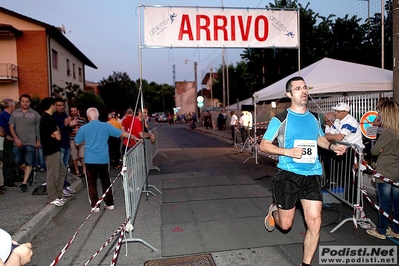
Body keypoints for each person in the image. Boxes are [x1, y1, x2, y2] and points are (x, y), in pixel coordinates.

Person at [260, 76, 346, 266]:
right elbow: (264, 145)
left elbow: (320, 139)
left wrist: (332, 147)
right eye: (298, 88)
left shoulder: (315, 117)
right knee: (285, 225)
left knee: (315, 222)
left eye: (305, 87)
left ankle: (305, 264)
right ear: (289, 94)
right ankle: (274, 211)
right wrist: (287, 151)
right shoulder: (280, 119)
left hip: (312, 174)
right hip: (288, 176)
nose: (304, 91)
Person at [75, 107, 131, 212]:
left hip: (90, 159)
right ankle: (109, 203)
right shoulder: (106, 126)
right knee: (106, 181)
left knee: (91, 183)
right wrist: (133, 136)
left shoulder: (83, 128)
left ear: (88, 117)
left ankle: (95, 205)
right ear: (97, 115)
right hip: (103, 159)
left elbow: (77, 143)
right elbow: (121, 133)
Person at [366, 100, 399, 240]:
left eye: (380, 112)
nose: (378, 114)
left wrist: (381, 149)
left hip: (384, 171)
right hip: (396, 171)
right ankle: (396, 229)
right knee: (396, 202)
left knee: (384, 202)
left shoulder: (387, 133)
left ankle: (381, 230)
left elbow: (373, 150)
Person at [9, 94, 41, 193]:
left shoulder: (35, 114)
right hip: (18, 141)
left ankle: (24, 183)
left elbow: (38, 129)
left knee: (28, 161)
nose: (25, 103)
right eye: (23, 101)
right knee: (16, 161)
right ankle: (30, 173)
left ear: (30, 102)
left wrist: (38, 140)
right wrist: (16, 139)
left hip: (30, 141)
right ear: (20, 102)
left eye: (27, 101)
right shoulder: (15, 113)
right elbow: (11, 127)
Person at [40, 98, 66, 207]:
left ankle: (58, 194)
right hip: (51, 150)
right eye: (55, 105)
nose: (57, 107)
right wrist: (55, 134)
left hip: (55, 149)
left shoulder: (50, 118)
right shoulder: (47, 119)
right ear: (51, 105)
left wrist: (55, 133)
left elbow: (56, 133)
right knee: (53, 174)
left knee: (61, 171)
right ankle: (52, 197)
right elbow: (58, 136)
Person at [53, 98, 74, 196]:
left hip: (66, 143)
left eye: (62, 105)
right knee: (60, 167)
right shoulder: (53, 116)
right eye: (58, 105)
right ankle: (59, 187)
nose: (61, 107)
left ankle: (65, 185)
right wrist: (65, 124)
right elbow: (56, 130)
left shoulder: (65, 115)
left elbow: (67, 129)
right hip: (59, 145)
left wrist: (71, 125)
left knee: (65, 166)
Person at [0, 99, 17, 188]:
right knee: (7, 160)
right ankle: (8, 180)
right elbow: (1, 128)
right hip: (7, 140)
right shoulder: (3, 115)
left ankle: (13, 177)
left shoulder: (10, 115)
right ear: (10, 105)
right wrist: (7, 136)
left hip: (12, 139)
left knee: (12, 159)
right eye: (13, 105)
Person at [69, 106, 86, 177]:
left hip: (82, 140)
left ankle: (84, 170)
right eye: (72, 111)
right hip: (72, 139)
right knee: (74, 156)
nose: (73, 112)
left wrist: (80, 130)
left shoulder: (82, 119)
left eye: (74, 110)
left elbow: (86, 129)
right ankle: (76, 170)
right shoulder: (69, 119)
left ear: (77, 111)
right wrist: (70, 125)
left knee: (82, 156)